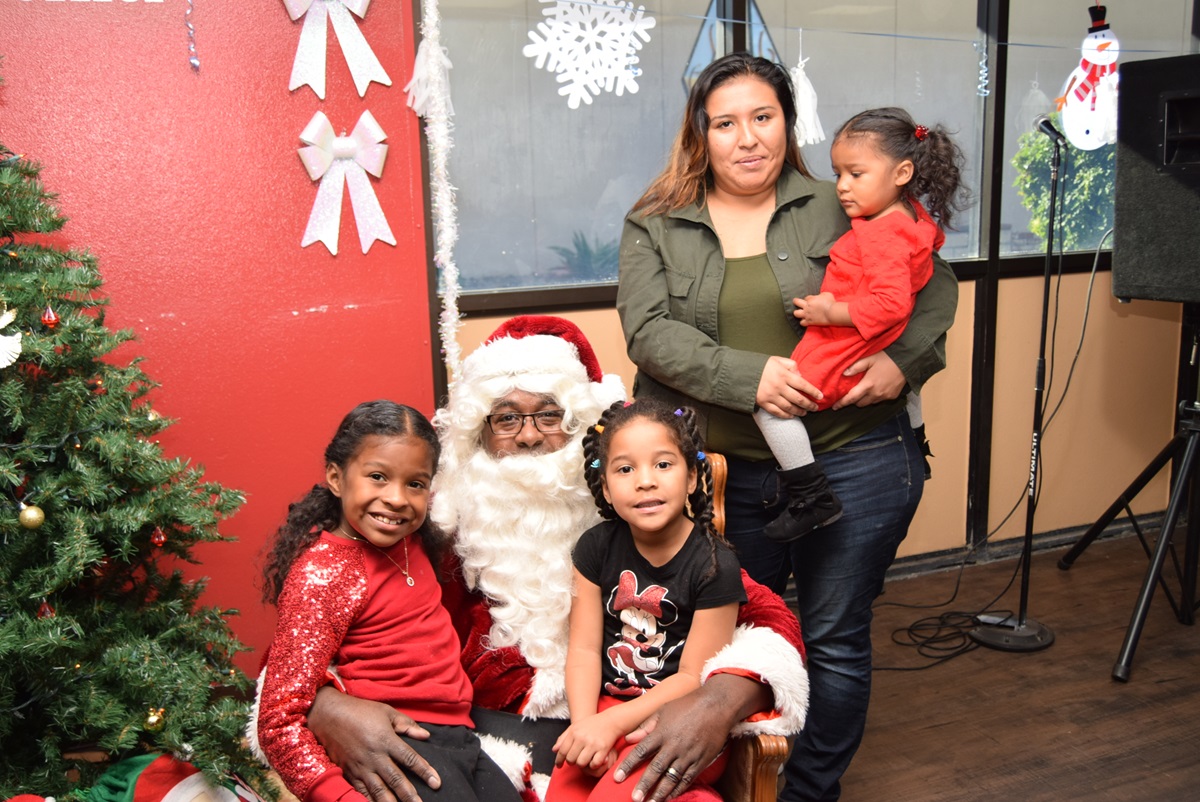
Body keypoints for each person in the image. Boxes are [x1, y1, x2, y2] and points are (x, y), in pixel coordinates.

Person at [616, 54, 959, 802]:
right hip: (723, 480)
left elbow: (937, 285)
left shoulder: (845, 198)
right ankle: (743, 784)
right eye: (726, 122)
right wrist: (750, 377)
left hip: (857, 462)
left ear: (787, 123)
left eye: (763, 117)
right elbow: (646, 333)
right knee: (741, 644)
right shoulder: (656, 223)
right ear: (700, 134)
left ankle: (805, 792)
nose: (748, 139)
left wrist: (907, 361)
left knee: (834, 639)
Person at [302, 316, 810, 802]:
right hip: (485, 735)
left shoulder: (636, 514)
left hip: (631, 716)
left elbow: (764, 614)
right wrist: (328, 707)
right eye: (506, 419)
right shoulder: (431, 527)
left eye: (550, 415)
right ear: (478, 434)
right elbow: (314, 629)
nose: (527, 436)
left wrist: (715, 701)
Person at [253, 401, 522, 802]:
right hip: (398, 744)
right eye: (378, 477)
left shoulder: (414, 542)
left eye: (415, 484)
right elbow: (278, 719)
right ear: (336, 477)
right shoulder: (324, 573)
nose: (396, 498)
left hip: (460, 740)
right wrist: (340, 797)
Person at [753, 106, 967, 542]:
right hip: (876, 336)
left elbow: (889, 305)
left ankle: (812, 495)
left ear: (902, 171)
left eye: (856, 174)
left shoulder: (880, 232)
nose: (843, 188)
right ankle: (919, 443)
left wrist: (827, 311)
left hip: (848, 339)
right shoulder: (911, 218)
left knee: (771, 405)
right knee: (907, 385)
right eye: (838, 174)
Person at [547, 400, 745, 801]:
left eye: (663, 465)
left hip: (679, 721)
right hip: (605, 705)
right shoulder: (595, 548)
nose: (645, 481)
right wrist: (587, 727)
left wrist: (615, 724)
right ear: (605, 487)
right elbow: (584, 648)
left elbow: (692, 677)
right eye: (625, 469)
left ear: (692, 477)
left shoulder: (714, 564)